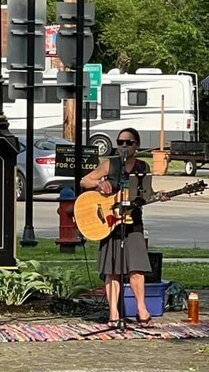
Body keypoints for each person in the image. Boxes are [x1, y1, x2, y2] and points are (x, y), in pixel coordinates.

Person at [80, 127, 168, 327]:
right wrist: (99, 185)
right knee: (112, 270)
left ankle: (142, 310)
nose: (124, 146)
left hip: (133, 222)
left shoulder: (142, 166)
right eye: (120, 142)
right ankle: (113, 313)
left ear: (136, 145)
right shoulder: (110, 164)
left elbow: (145, 193)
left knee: (137, 269)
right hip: (110, 223)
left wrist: (158, 196)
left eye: (128, 142)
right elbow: (85, 180)